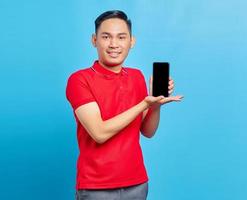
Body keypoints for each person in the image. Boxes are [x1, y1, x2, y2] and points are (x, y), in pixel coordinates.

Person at [66, 10, 183, 200]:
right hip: (97, 187)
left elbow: (148, 131)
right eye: (106, 37)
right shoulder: (79, 79)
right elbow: (99, 133)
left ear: (131, 41)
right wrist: (143, 104)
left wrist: (156, 104)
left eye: (121, 37)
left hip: (137, 183)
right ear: (94, 40)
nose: (114, 44)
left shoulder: (137, 77)